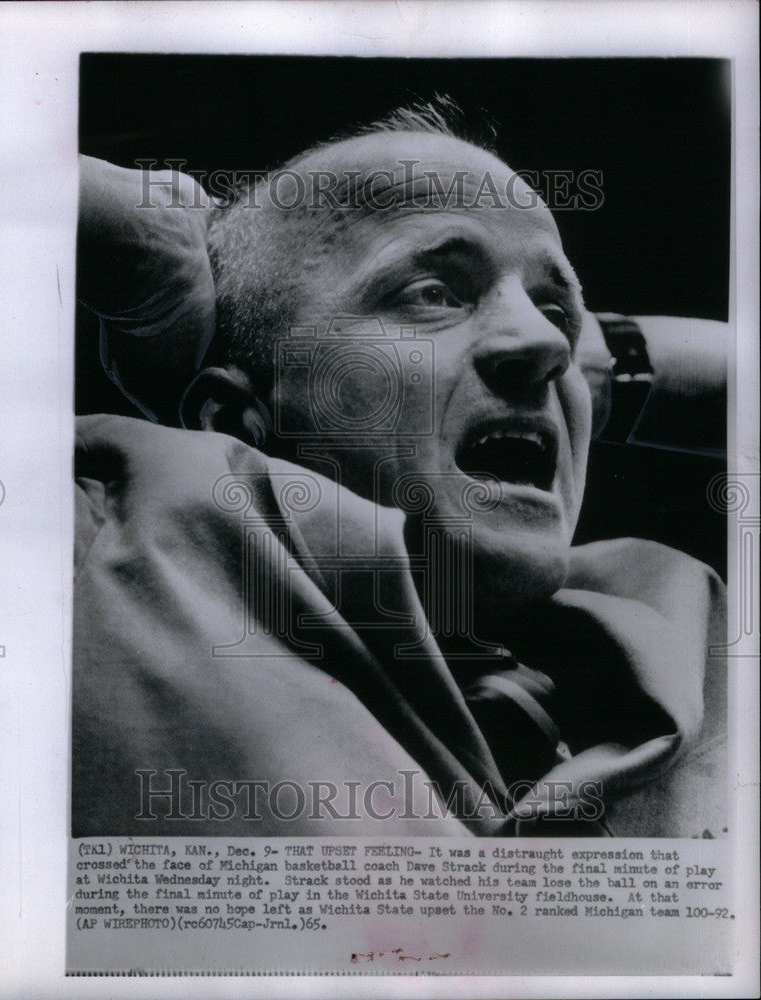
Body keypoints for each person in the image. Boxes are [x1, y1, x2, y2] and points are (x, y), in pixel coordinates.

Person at [73, 102, 726, 838]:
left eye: (555, 313)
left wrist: (601, 360)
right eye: (434, 293)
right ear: (232, 423)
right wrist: (143, 232)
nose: (545, 345)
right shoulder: (93, 551)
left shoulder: (704, 641)